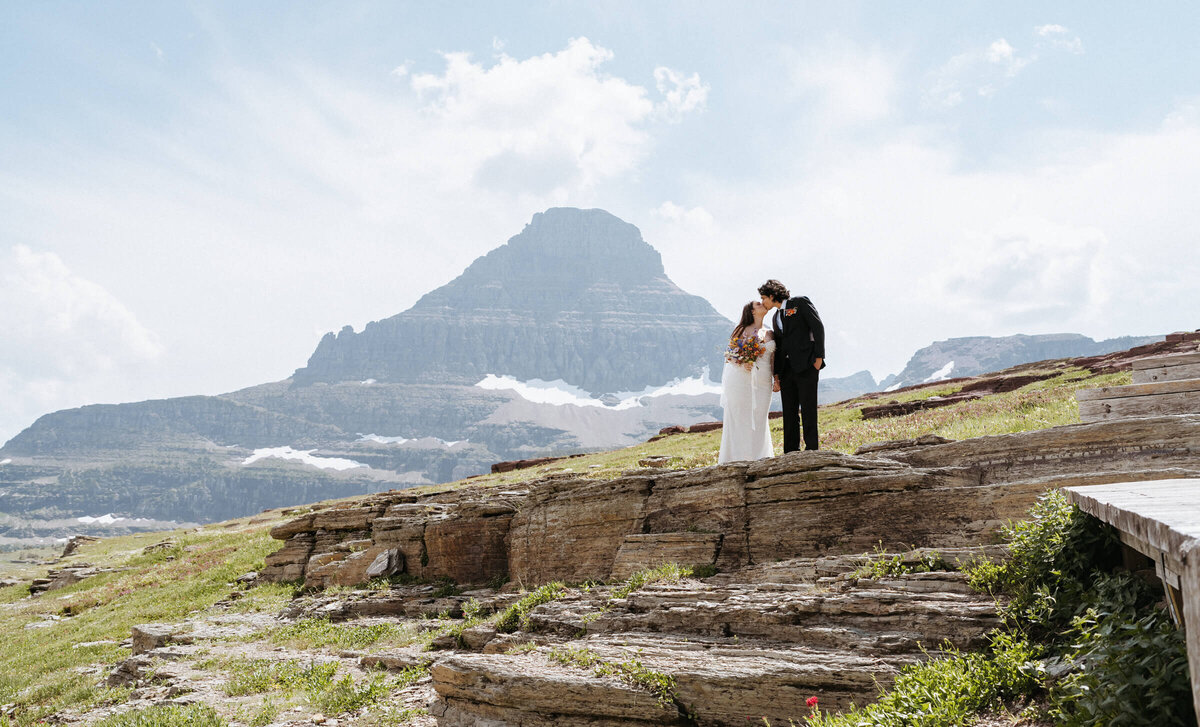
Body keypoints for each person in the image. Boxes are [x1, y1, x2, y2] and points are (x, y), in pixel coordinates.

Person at [759, 279, 825, 452]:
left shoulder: (800, 302)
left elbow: (817, 327)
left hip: (807, 366)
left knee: (809, 410)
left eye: (764, 297)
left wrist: (818, 358)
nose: (762, 302)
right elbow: (780, 346)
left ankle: (812, 450)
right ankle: (791, 452)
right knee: (789, 413)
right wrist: (778, 375)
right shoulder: (775, 317)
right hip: (787, 371)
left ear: (772, 295)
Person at [717, 300, 777, 463]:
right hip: (741, 380)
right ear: (751, 311)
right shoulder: (741, 330)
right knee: (741, 416)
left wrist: (776, 378)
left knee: (760, 416)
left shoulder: (770, 333)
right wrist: (743, 363)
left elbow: (773, 358)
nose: (763, 304)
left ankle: (760, 456)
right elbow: (730, 355)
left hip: (764, 381)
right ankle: (737, 457)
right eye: (758, 304)